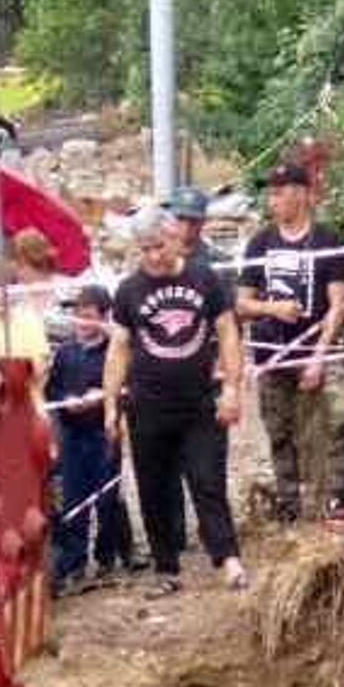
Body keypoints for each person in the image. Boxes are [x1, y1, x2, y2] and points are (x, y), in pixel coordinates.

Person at [104, 207, 248, 595]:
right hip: (147, 404)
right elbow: (118, 348)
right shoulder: (129, 290)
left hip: (199, 402)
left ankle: (228, 558)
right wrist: (110, 407)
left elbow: (228, 333)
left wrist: (233, 389)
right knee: (153, 488)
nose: (153, 255)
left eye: (159, 245)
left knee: (207, 480)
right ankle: (166, 568)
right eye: (145, 248)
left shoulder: (204, 278)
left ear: (175, 238)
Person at [236, 163, 344, 522]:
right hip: (273, 350)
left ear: (303, 194)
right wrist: (273, 307)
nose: (273, 200)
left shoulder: (327, 241)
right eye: (270, 193)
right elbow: (241, 304)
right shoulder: (260, 242)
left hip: (318, 346)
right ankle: (289, 503)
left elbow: (338, 303)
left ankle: (340, 497)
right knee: (278, 429)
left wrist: (319, 357)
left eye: (280, 191)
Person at [45, 285, 132, 590]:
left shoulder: (114, 351)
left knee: (107, 499)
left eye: (89, 316)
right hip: (73, 434)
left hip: (103, 434)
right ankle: (76, 561)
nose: (82, 322)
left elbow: (127, 390)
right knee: (73, 500)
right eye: (78, 316)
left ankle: (107, 557)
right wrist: (65, 400)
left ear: (104, 317)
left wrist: (103, 397)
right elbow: (51, 391)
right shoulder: (66, 352)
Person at [0, 228, 56, 381]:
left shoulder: (65, 290)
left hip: (54, 371)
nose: (13, 267)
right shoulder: (16, 295)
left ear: (31, 261)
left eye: (17, 262)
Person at [166, 185, 216, 271]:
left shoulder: (215, 259)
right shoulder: (157, 259)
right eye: (180, 218)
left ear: (203, 222)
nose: (186, 226)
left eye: (193, 220)